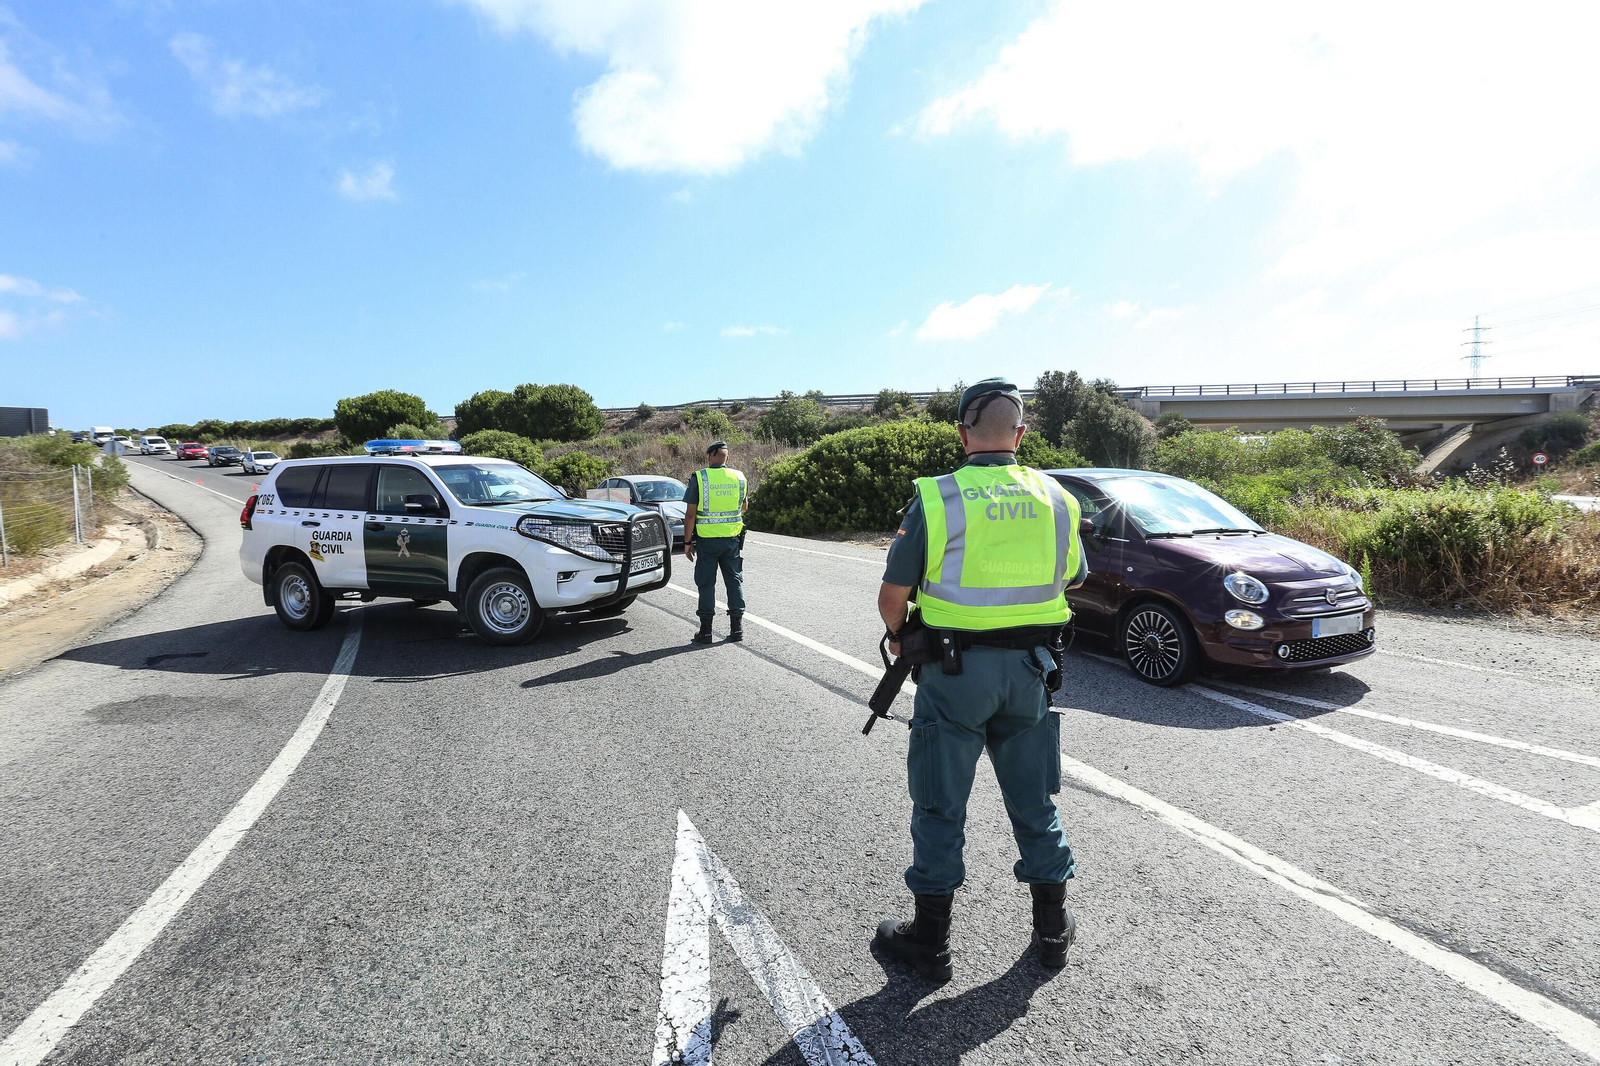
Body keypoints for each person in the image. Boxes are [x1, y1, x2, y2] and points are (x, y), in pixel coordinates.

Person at [874, 378, 1087, 982]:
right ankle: (1051, 932)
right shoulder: (1059, 498)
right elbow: (1071, 578)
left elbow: (894, 596)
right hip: (1031, 673)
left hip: (953, 673)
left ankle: (931, 944)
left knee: (940, 803)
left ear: (963, 433)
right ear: (1021, 434)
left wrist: (898, 634)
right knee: (1034, 802)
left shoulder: (939, 497)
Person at [682, 439, 748, 644]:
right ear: (727, 457)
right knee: (734, 581)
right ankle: (737, 630)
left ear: (710, 456)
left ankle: (706, 632)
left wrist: (687, 542)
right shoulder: (739, 477)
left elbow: (691, 514)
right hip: (731, 540)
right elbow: (744, 507)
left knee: (706, 584)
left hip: (707, 541)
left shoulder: (700, 477)